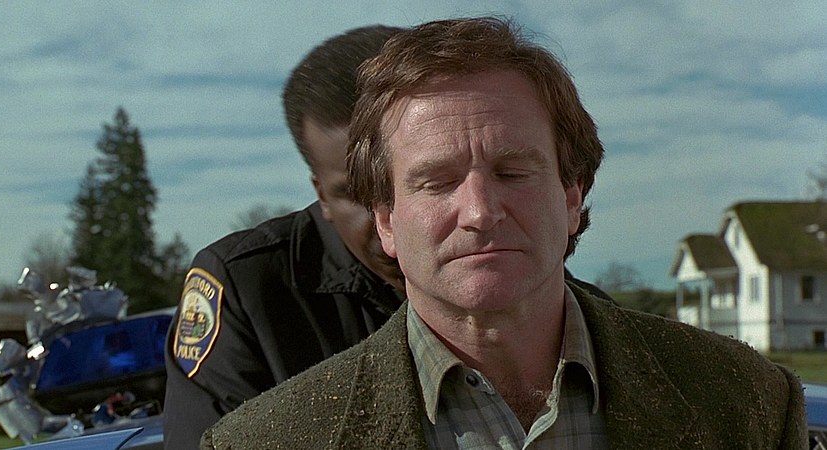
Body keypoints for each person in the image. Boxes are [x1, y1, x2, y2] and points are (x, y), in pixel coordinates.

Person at [202, 17, 807, 449]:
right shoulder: (267, 440)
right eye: (437, 182)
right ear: (386, 220)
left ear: (572, 196)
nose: (479, 211)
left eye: (513, 172)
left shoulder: (748, 402)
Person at [162, 25, 407, 449]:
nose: (389, 222)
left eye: (419, 181)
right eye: (356, 193)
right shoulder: (247, 288)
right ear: (321, 195)